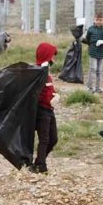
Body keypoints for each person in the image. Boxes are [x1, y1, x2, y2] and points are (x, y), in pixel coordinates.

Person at [33, 43, 59, 173]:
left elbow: (47, 90)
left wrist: (55, 95)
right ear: (46, 57)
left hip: (49, 110)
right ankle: (40, 167)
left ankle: (38, 161)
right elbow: (35, 93)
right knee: (44, 139)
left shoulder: (45, 73)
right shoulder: (37, 73)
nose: (53, 59)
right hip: (41, 111)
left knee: (53, 139)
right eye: (51, 56)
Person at [83, 12, 103, 93]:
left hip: (101, 53)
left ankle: (98, 88)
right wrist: (82, 39)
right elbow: (87, 40)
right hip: (92, 52)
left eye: (100, 20)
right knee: (93, 69)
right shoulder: (90, 29)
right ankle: (89, 87)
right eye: (97, 20)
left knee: (99, 71)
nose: (98, 21)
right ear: (94, 20)